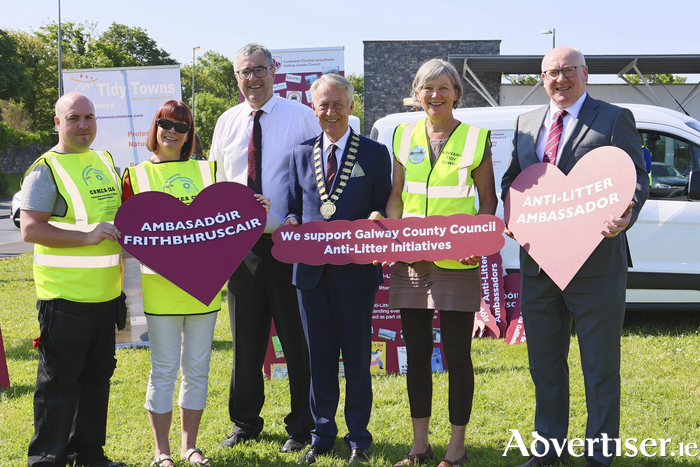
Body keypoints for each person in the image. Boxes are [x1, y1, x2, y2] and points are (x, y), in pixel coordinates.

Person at [501, 46, 649, 467]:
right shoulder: (526, 122)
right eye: (551, 73)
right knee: (545, 363)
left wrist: (628, 210)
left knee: (600, 365)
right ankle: (549, 449)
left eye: (568, 71)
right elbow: (515, 177)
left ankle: (600, 454)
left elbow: (636, 174)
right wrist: (511, 213)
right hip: (540, 263)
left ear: (586, 73)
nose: (559, 79)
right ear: (542, 78)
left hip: (597, 263)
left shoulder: (614, 117)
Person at [122, 101, 269, 467]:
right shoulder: (134, 175)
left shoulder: (208, 170)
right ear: (154, 127)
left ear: (190, 135)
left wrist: (255, 207)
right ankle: (162, 451)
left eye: (182, 126)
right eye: (165, 123)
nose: (172, 131)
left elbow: (226, 215)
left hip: (204, 291)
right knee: (164, 369)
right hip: (160, 291)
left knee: (198, 369)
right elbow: (126, 230)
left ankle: (190, 447)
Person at [209, 42, 321, 453]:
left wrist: (294, 214)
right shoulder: (226, 122)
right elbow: (217, 184)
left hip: (289, 245)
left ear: (274, 70)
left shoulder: (302, 117)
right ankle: (244, 423)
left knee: (297, 341)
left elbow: (316, 178)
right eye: (244, 72)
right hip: (241, 249)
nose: (252, 78)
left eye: (259, 69)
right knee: (246, 341)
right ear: (236, 77)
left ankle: (303, 425)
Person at [385, 59, 497, 467]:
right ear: (417, 94)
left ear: (456, 94)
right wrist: (392, 236)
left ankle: (457, 445)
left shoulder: (475, 137)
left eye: (444, 88)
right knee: (415, 354)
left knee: (456, 354)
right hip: (411, 261)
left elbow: (489, 200)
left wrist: (479, 241)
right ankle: (419, 445)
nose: (435, 96)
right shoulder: (402, 134)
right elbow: (396, 195)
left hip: (458, 261)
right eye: (427, 89)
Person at [286, 73, 392, 465]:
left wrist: (379, 214)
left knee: (357, 357)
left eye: (337, 104)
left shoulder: (374, 153)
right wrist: (293, 221)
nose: (330, 111)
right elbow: (296, 205)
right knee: (319, 358)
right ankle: (321, 434)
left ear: (351, 106)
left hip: (355, 271)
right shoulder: (300, 153)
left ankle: (359, 438)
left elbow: (384, 203)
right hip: (310, 273)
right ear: (314, 109)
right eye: (323, 105)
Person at [20, 92, 126, 467]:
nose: (83, 125)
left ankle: (89, 454)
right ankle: (47, 459)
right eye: (74, 118)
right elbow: (30, 230)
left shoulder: (104, 160)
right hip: (64, 298)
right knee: (59, 385)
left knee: (96, 382)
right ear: (58, 123)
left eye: (90, 117)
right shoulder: (45, 169)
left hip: (106, 296)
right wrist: (86, 237)